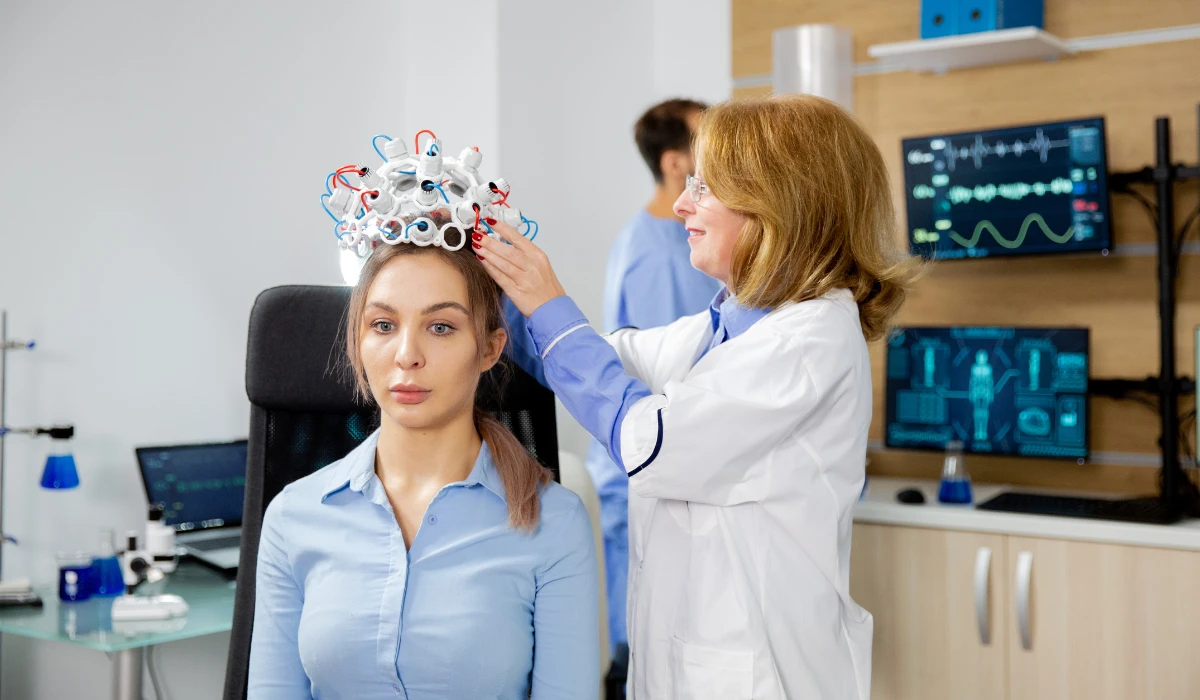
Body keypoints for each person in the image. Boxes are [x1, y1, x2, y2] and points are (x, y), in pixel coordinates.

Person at [476, 94, 917, 699]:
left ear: (778, 205)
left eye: (705, 187)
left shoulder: (807, 341)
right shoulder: (725, 328)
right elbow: (592, 361)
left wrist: (549, 302)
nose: (682, 203)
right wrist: (486, 278)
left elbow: (649, 440)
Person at [248, 238, 600, 699]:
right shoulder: (293, 516)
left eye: (440, 327)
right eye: (383, 325)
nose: (407, 354)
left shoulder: (554, 522)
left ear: (490, 349)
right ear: (357, 342)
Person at [589, 97, 720, 661]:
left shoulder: (680, 240)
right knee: (646, 651)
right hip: (649, 472)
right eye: (707, 144)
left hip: (673, 468)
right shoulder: (658, 254)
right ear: (675, 164)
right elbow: (673, 381)